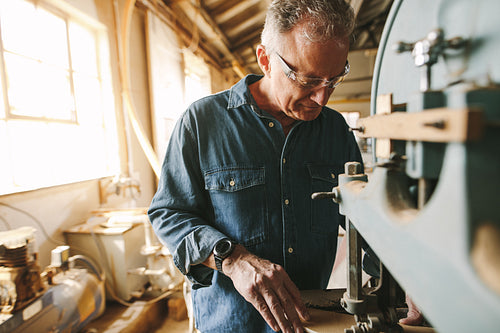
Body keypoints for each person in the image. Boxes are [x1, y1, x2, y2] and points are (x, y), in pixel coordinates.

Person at [148, 0, 361, 332]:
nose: (322, 98)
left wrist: (404, 278)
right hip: (231, 323)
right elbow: (169, 213)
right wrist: (232, 259)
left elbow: (362, 217)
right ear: (266, 60)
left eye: (333, 80)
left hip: (311, 322)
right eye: (308, 81)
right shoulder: (203, 123)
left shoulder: (335, 131)